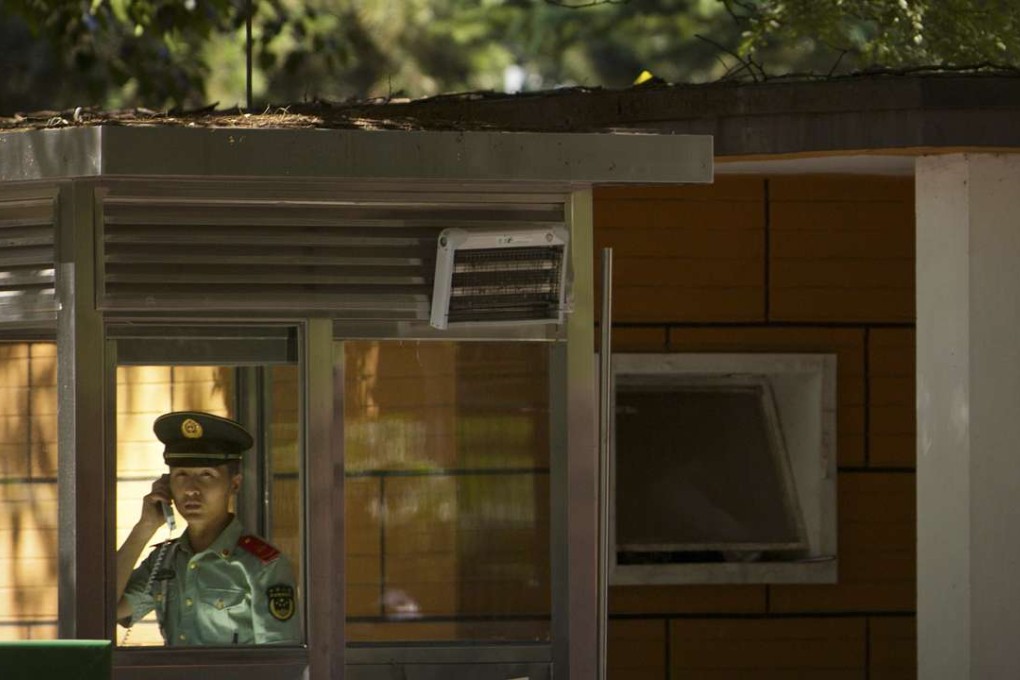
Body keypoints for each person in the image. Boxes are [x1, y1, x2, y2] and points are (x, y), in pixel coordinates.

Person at [115, 411, 302, 646]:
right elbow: (105, 609)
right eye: (181, 474)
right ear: (167, 483)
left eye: (206, 475)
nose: (191, 489)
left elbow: (280, 659)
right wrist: (144, 527)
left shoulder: (262, 565)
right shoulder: (165, 560)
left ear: (234, 484)